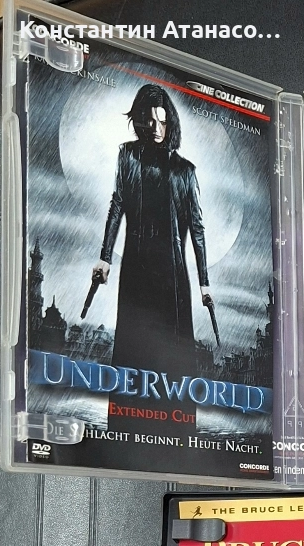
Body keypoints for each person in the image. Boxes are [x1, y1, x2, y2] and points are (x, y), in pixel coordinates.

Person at [92, 83, 212, 402]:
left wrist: (204, 283)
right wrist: (105, 257)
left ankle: (171, 422)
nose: (157, 129)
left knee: (173, 357)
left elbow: (197, 229)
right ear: (141, 120)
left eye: (163, 122)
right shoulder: (128, 155)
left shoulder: (185, 171)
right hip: (136, 265)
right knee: (133, 351)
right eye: (151, 121)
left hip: (172, 271)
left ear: (170, 123)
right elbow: (117, 204)